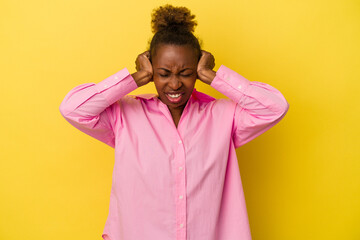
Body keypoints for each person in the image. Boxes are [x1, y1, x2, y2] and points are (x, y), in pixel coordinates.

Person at [59, 4, 289, 240]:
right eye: (164, 73)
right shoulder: (124, 115)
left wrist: (213, 75)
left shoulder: (223, 116)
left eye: (186, 73)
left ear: (197, 71)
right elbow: (73, 108)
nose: (175, 84)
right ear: (151, 71)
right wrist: (137, 78)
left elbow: (275, 107)